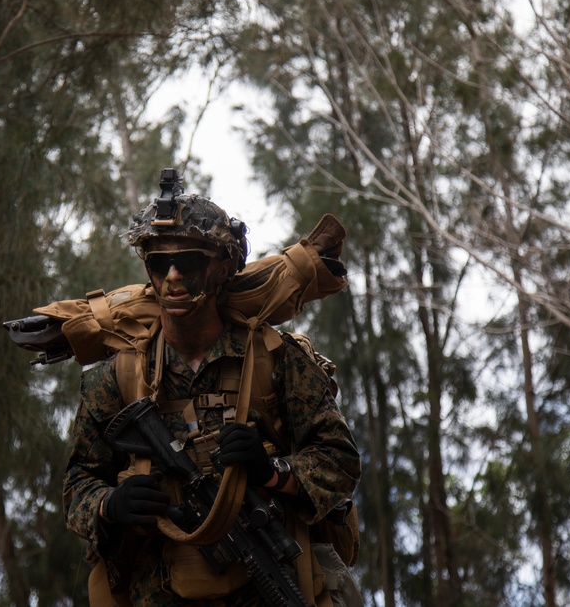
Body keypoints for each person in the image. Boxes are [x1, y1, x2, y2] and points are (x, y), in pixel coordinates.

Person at [63, 173, 361, 606]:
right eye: (158, 264)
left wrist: (272, 471)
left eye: (189, 262)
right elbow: (78, 483)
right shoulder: (118, 375)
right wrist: (111, 505)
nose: (173, 278)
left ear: (222, 267)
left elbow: (340, 461)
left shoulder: (277, 359)